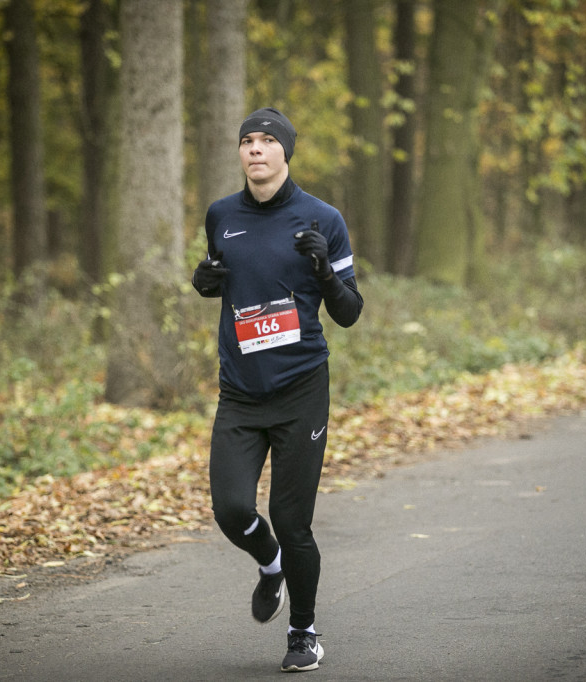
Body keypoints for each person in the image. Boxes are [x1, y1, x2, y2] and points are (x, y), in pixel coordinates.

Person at [192, 107, 363, 673]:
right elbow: (220, 277)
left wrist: (326, 275)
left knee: (293, 523)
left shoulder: (322, 218)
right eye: (247, 141)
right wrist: (203, 283)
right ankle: (269, 565)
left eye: (268, 141)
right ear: (239, 153)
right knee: (230, 507)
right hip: (240, 393)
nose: (256, 150)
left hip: (300, 390)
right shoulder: (221, 216)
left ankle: (303, 632)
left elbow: (350, 313)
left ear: (285, 151)